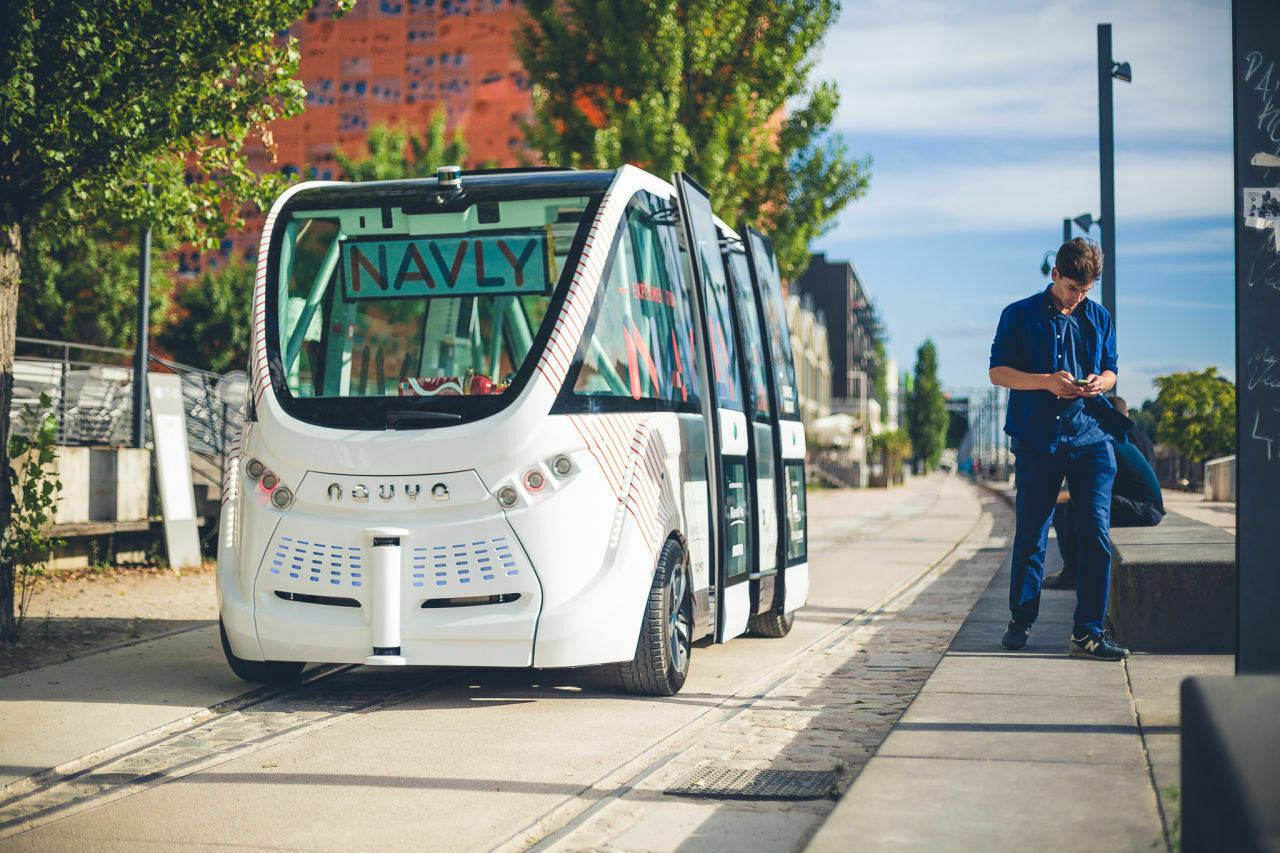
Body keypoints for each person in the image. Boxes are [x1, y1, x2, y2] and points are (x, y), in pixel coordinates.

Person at [988, 238, 1135, 661]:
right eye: (1072, 288)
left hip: (1091, 438)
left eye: (1086, 291)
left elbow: (1111, 369)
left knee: (1095, 533)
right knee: (1032, 535)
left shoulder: (1099, 317)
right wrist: (1047, 381)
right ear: (1054, 276)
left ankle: (1088, 632)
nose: (1077, 298)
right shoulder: (1018, 315)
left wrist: (1099, 383)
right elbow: (998, 373)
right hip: (1037, 441)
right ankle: (1020, 620)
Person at [1044, 397, 1164, 589]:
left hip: (1146, 510)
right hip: (1142, 506)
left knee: (1073, 506)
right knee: (1074, 506)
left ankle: (1071, 574)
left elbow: (1088, 488)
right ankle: (1074, 570)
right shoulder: (1117, 437)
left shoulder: (1104, 441)